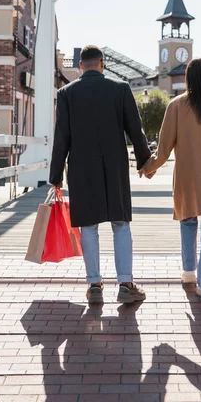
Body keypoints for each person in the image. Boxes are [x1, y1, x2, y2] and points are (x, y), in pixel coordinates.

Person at [49, 45, 151, 304]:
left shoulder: (66, 94)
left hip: (82, 168)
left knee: (88, 227)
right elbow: (135, 129)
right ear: (102, 64)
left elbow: (61, 138)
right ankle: (126, 284)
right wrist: (144, 161)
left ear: (81, 66)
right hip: (115, 166)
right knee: (120, 224)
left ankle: (94, 285)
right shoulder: (121, 89)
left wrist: (56, 177)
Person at [140, 58, 201, 301]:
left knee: (188, 222)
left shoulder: (176, 106)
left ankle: (188, 272)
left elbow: (163, 147)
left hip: (186, 177)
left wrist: (149, 167)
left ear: (188, 78)